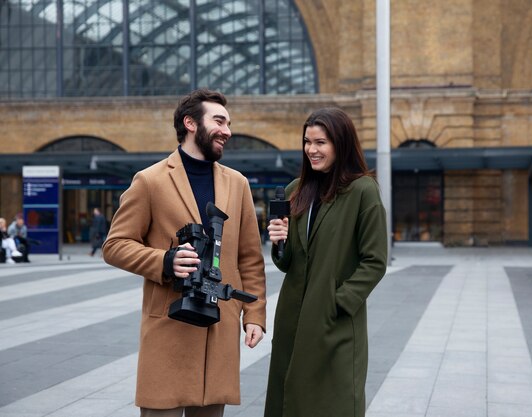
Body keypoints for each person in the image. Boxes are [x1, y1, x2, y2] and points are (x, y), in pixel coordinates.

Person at [102, 89, 266, 417]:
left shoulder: (238, 184)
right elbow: (115, 245)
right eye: (218, 121)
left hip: (219, 327)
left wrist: (256, 316)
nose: (227, 130)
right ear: (190, 123)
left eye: (229, 123)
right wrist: (165, 260)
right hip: (169, 324)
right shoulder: (149, 181)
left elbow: (250, 257)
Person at [264, 107, 388, 417]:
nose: (311, 150)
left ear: (340, 143)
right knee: (288, 400)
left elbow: (375, 261)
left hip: (334, 322)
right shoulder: (297, 190)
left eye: (321, 142)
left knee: (332, 402)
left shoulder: (363, 191)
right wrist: (280, 243)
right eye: (307, 142)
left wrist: (339, 303)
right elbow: (288, 261)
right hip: (293, 317)